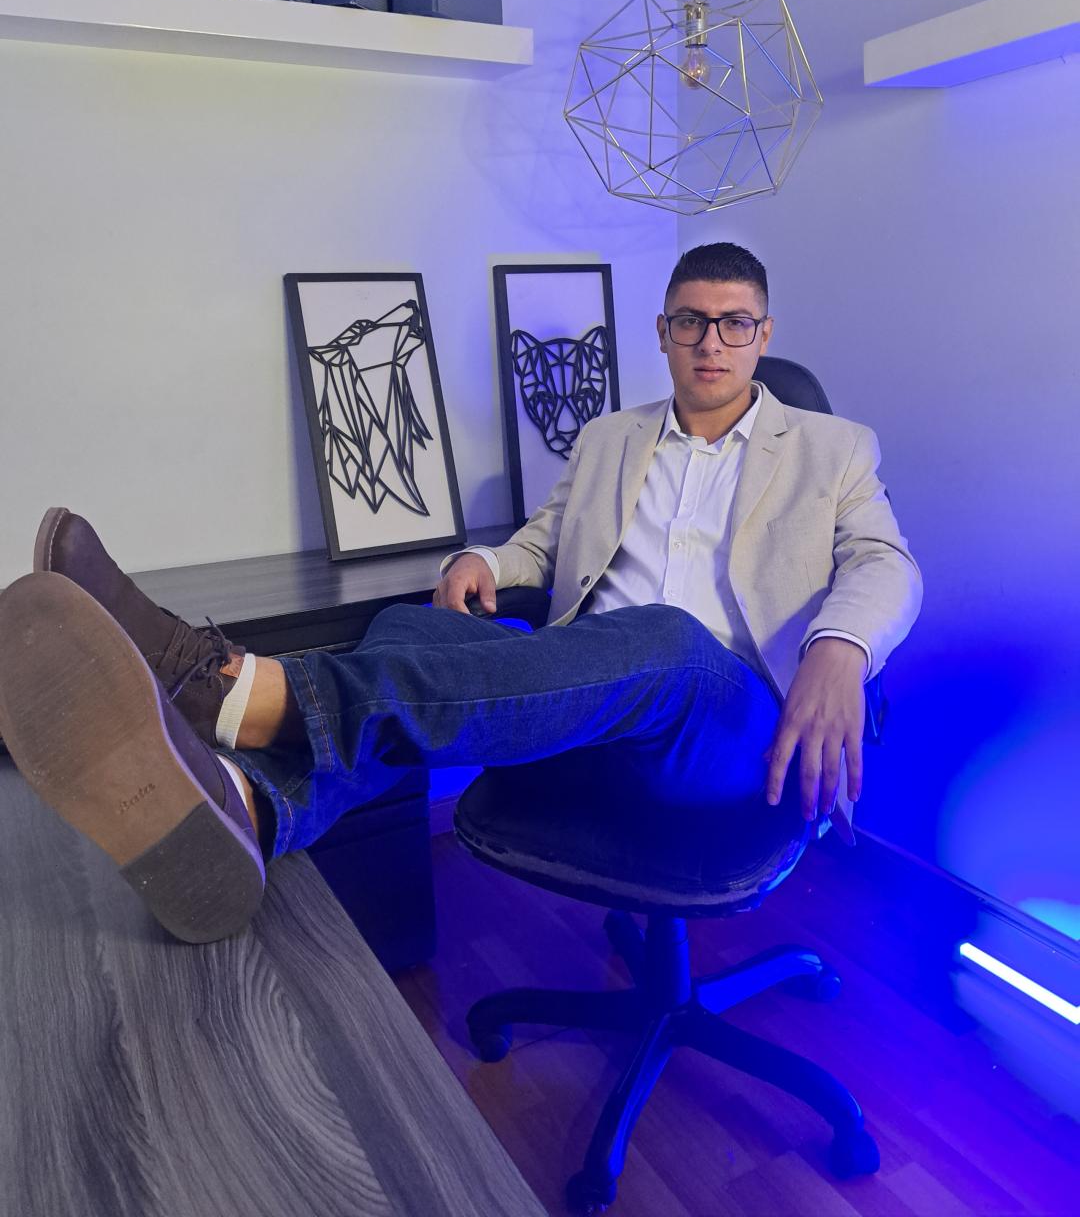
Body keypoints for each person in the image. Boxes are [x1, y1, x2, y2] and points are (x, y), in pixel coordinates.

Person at [0, 244, 921, 945]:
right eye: (691, 321)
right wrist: (485, 561)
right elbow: (544, 542)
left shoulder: (833, 446)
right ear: (662, 331)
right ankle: (248, 808)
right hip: (585, 701)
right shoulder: (610, 437)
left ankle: (235, 688)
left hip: (726, 730)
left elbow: (888, 563)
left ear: (764, 335)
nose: (711, 342)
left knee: (670, 638)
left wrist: (840, 647)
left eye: (733, 324)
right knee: (409, 624)